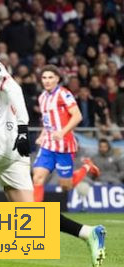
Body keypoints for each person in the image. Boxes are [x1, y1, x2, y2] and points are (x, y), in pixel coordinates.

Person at [0, 18, 106, 267]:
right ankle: (89, 233)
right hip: (10, 146)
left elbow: (14, 90)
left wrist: (25, 131)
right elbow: (0, 115)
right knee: (31, 214)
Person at [32, 65, 100, 202]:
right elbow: (47, 120)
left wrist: (63, 132)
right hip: (48, 144)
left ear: (57, 79)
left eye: (50, 77)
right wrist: (42, 135)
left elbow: (77, 115)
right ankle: (34, 216)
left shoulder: (64, 94)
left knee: (66, 186)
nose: (47, 80)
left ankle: (87, 167)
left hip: (64, 145)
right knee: (37, 177)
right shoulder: (42, 97)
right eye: (44, 78)